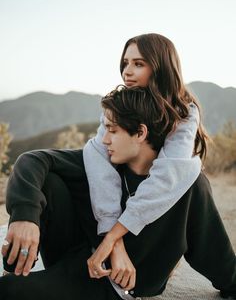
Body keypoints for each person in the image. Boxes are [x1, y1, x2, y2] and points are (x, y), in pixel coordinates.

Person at [0, 86, 236, 300]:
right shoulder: (105, 165)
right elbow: (32, 160)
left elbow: (210, 245)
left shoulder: (184, 184)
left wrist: (231, 281)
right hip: (76, 257)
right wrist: (24, 216)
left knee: (7, 290)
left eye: (112, 130)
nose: (104, 139)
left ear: (141, 133)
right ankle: (20, 266)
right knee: (48, 179)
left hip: (113, 286)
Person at [2, 33, 206, 278]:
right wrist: (26, 215)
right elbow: (101, 168)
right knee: (42, 169)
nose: (127, 72)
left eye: (138, 64)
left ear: (161, 67)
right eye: (125, 63)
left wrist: (113, 238)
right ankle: (23, 259)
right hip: (102, 227)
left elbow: (167, 178)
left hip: (148, 235)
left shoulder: (184, 113)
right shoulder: (120, 108)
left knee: (195, 182)